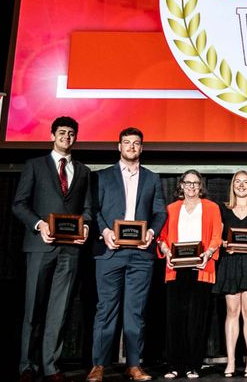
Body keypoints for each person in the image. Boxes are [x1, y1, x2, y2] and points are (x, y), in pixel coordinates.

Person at [12, 116, 92, 382]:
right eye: (61, 132)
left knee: (59, 311)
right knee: (33, 309)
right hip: (39, 247)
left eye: (71, 133)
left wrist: (87, 228)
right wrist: (39, 225)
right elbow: (19, 204)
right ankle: (27, 365)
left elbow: (88, 210)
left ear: (75, 138)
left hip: (70, 252)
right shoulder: (34, 166)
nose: (66, 137)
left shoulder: (83, 171)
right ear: (52, 135)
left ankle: (50, 366)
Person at [86, 127, 167, 382]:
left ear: (141, 148)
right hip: (110, 252)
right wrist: (105, 232)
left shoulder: (152, 178)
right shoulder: (101, 177)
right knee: (106, 310)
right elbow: (93, 210)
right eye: (127, 142)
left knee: (136, 312)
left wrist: (152, 232)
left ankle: (134, 364)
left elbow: (160, 212)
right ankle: (99, 365)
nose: (131, 146)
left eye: (136, 143)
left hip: (141, 255)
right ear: (118, 146)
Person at [157, 169, 222, 379]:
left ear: (200, 186)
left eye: (195, 183)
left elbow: (216, 236)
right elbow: (162, 237)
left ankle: (193, 365)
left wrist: (209, 252)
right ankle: (175, 366)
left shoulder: (211, 208)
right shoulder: (171, 208)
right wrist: (166, 251)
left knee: (197, 319)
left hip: (201, 268)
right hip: (176, 269)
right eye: (188, 183)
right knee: (175, 318)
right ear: (181, 185)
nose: (192, 186)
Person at [213, 170, 247, 378]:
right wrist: (225, 244)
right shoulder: (224, 209)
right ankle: (231, 360)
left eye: (246, 182)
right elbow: (217, 238)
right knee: (232, 312)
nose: (242, 185)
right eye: (238, 182)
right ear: (232, 185)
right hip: (230, 262)